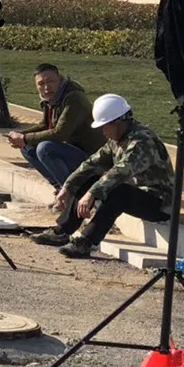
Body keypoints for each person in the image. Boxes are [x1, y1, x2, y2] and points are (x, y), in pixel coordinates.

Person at [32, 93, 175, 259]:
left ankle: (87, 242)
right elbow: (92, 163)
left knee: (118, 192)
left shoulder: (142, 142)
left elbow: (120, 172)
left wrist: (91, 194)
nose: (103, 132)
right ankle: (63, 230)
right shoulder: (118, 138)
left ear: (118, 122)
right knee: (89, 179)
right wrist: (68, 186)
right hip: (136, 194)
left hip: (159, 203)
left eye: (105, 126)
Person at [6, 64, 105, 196]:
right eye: (41, 84)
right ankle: (60, 187)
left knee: (45, 148)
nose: (46, 87)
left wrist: (24, 138)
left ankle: (72, 192)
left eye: (50, 81)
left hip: (92, 157)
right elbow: (45, 125)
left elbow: (60, 134)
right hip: (73, 150)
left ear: (59, 78)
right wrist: (20, 136)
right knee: (26, 147)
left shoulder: (74, 98)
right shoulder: (51, 99)